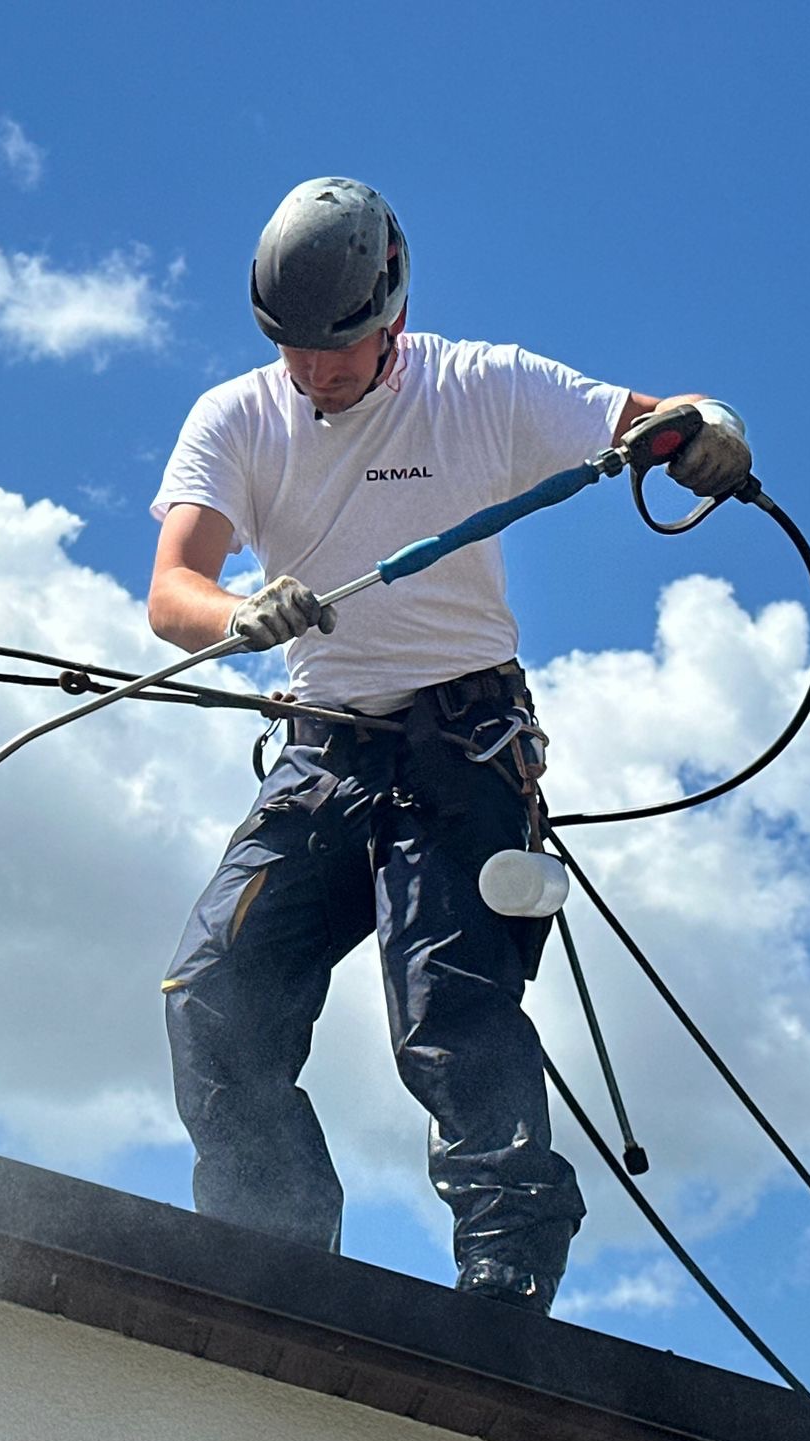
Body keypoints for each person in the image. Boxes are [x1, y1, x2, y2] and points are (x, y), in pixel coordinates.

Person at [146, 176, 750, 1314]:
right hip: (321, 751)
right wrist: (237, 615)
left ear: (394, 319)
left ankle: (507, 1262)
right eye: (292, 349)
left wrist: (705, 428)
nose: (315, 374)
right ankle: (264, 1253)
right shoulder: (233, 417)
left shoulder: (481, 386)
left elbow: (651, 419)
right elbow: (173, 590)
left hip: (460, 748)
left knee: (447, 1009)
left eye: (342, 348)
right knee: (213, 991)